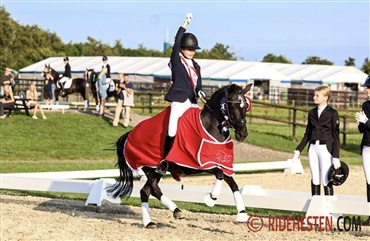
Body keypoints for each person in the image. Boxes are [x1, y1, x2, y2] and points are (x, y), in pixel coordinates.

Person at [156, 13, 206, 174]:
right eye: (189, 49)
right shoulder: (177, 60)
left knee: (203, 124)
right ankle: (165, 161)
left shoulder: (196, 66)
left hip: (192, 101)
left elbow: (198, 85)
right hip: (179, 100)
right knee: (172, 129)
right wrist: (185, 24)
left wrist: (201, 92)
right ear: (183, 48)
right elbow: (177, 41)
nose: (191, 52)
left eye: (193, 49)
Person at [292, 85, 341, 196]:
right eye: (314, 95)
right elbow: (308, 133)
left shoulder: (333, 113)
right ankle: (315, 205)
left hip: (325, 149)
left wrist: (336, 156)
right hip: (313, 148)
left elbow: (336, 136)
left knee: (326, 178)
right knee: (315, 178)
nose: (314, 97)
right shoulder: (311, 113)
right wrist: (299, 149)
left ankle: (330, 208)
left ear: (325, 97)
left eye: (317, 95)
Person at [355, 75, 370, 226]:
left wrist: (367, 122)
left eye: (369, 86)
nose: (366, 89)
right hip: (367, 145)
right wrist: (361, 123)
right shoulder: (366, 105)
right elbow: (362, 130)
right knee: (369, 180)